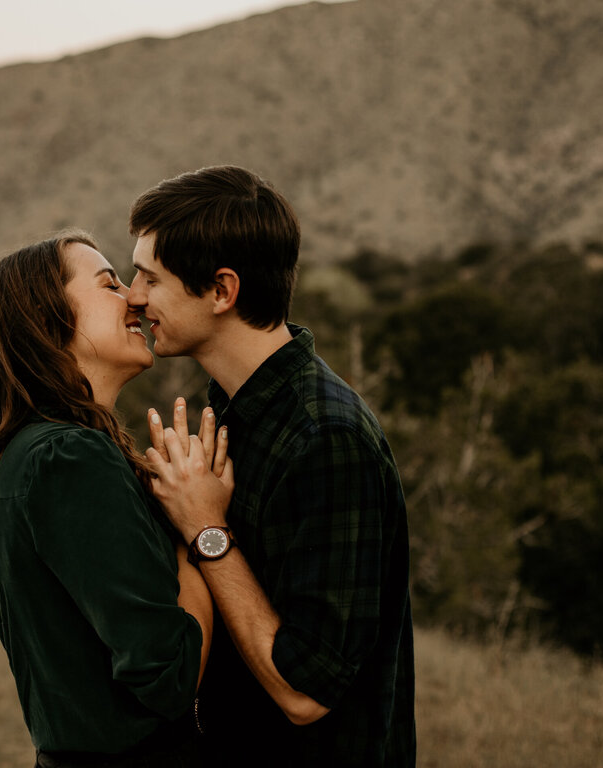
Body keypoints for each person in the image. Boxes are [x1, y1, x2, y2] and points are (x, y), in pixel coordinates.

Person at [125, 166, 416, 767]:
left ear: (222, 291)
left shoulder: (326, 438)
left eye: (150, 277)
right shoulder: (237, 410)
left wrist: (207, 530)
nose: (133, 296)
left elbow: (308, 692)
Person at [0, 231, 225, 768]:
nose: (134, 297)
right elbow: (169, 676)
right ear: (49, 322)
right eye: (109, 283)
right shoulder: (68, 457)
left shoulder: (39, 451)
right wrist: (199, 528)